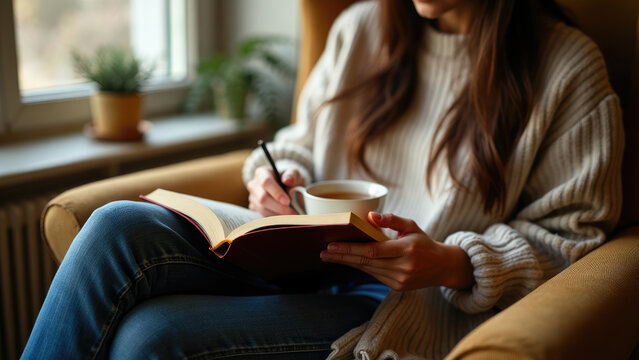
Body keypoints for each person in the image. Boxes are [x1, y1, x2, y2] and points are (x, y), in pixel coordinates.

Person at [23, 0, 624, 358]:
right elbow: (294, 145)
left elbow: (573, 240)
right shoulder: (362, 28)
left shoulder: (567, 69)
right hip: (299, 263)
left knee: (150, 339)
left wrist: (451, 263)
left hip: (401, 303)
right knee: (116, 224)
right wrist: (277, 177)